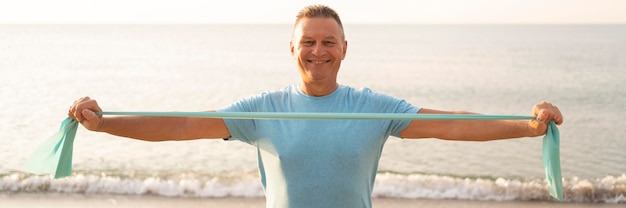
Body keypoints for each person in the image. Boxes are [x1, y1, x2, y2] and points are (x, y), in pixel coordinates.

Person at [68, 4, 564, 208]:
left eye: (330, 42)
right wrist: (104, 124)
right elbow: (178, 127)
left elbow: (450, 127)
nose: (318, 51)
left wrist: (527, 126)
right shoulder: (262, 109)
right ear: (292, 49)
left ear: (345, 49)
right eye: (308, 41)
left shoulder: (372, 107)